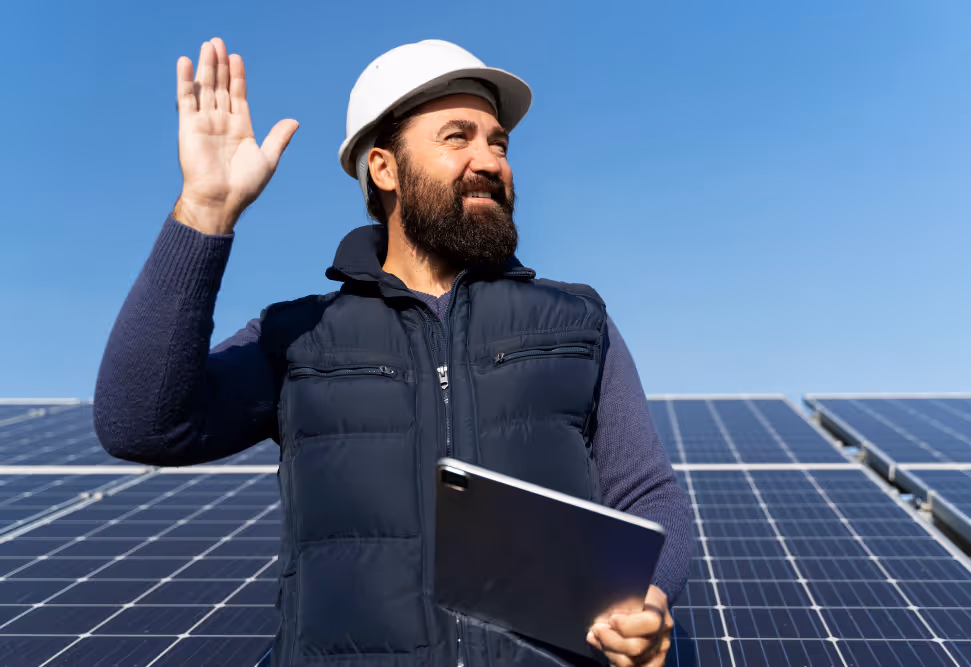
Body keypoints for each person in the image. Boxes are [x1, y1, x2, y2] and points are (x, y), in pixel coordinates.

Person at [94, 37, 692, 667]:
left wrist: (647, 598)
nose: (489, 160)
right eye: (457, 137)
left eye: (499, 142)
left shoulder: (577, 321)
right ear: (383, 169)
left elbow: (649, 496)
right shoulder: (297, 336)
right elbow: (141, 426)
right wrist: (204, 213)